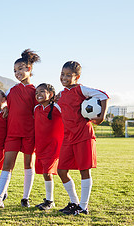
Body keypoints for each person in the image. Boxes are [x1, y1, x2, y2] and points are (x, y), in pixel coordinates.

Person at [0, 49, 40, 210]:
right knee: (7, 166)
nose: (17, 73)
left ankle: (25, 198)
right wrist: (5, 108)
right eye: (15, 70)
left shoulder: (36, 91)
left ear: (29, 69)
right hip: (12, 133)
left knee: (28, 165)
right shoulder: (12, 90)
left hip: (30, 134)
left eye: (20, 69)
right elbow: (4, 103)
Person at [56, 61, 109, 215]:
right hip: (68, 137)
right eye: (62, 74)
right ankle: (74, 202)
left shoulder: (81, 90)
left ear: (77, 77)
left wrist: (102, 116)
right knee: (61, 170)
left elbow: (104, 96)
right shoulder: (62, 94)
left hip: (84, 135)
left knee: (84, 171)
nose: (64, 77)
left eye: (68, 75)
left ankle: (83, 206)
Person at [33, 83, 64, 210]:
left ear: (50, 95)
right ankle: (48, 199)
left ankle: (50, 201)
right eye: (36, 92)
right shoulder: (36, 109)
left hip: (53, 146)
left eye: (41, 91)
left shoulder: (57, 107)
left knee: (48, 172)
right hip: (40, 146)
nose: (38, 94)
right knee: (44, 173)